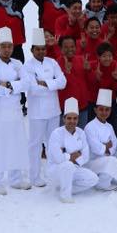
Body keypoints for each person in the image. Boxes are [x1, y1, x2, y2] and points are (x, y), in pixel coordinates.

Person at [0, 27, 31, 195]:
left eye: (9, 46)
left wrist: (8, 84)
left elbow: (27, 83)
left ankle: (16, 179)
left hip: (15, 111)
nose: (6, 49)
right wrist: (15, 86)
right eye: (3, 46)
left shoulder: (18, 64)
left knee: (16, 143)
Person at [24, 27, 67, 187]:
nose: (41, 51)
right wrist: (51, 84)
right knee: (35, 145)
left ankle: (52, 173)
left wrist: (44, 83)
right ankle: (34, 176)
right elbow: (33, 88)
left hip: (53, 110)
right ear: (32, 50)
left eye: (43, 49)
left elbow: (63, 82)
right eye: (38, 49)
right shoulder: (27, 66)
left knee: (53, 144)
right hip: (36, 112)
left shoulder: (52, 62)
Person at [46, 97, 99, 203]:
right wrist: (73, 156)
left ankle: (67, 188)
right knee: (68, 165)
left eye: (75, 118)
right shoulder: (56, 134)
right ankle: (65, 195)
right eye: (69, 118)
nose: (72, 121)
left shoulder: (81, 133)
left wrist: (66, 154)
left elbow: (86, 157)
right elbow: (58, 159)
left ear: (78, 119)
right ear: (64, 119)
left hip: (75, 167)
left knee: (94, 179)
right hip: (56, 171)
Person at [84, 89, 117, 190]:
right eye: (101, 109)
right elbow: (95, 148)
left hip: (106, 158)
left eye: (107, 110)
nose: (104, 112)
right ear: (95, 110)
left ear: (110, 111)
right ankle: (105, 184)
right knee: (111, 161)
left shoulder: (109, 126)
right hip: (92, 162)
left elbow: (114, 145)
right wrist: (106, 147)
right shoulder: (89, 127)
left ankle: (105, 181)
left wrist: (106, 148)